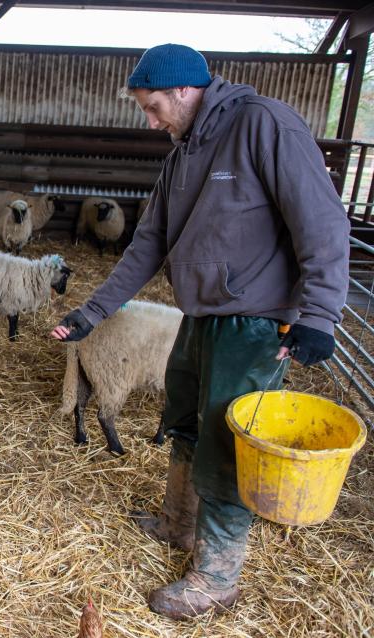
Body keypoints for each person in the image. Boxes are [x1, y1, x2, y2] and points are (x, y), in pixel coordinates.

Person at [50, 43, 349, 619]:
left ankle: (217, 578)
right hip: (202, 316)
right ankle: (180, 524)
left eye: (155, 106)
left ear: (186, 90)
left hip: (255, 323)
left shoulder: (263, 125)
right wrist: (92, 312)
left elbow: (321, 220)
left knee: (227, 441)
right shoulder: (181, 154)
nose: (151, 119)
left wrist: (319, 313)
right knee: (184, 420)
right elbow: (148, 245)